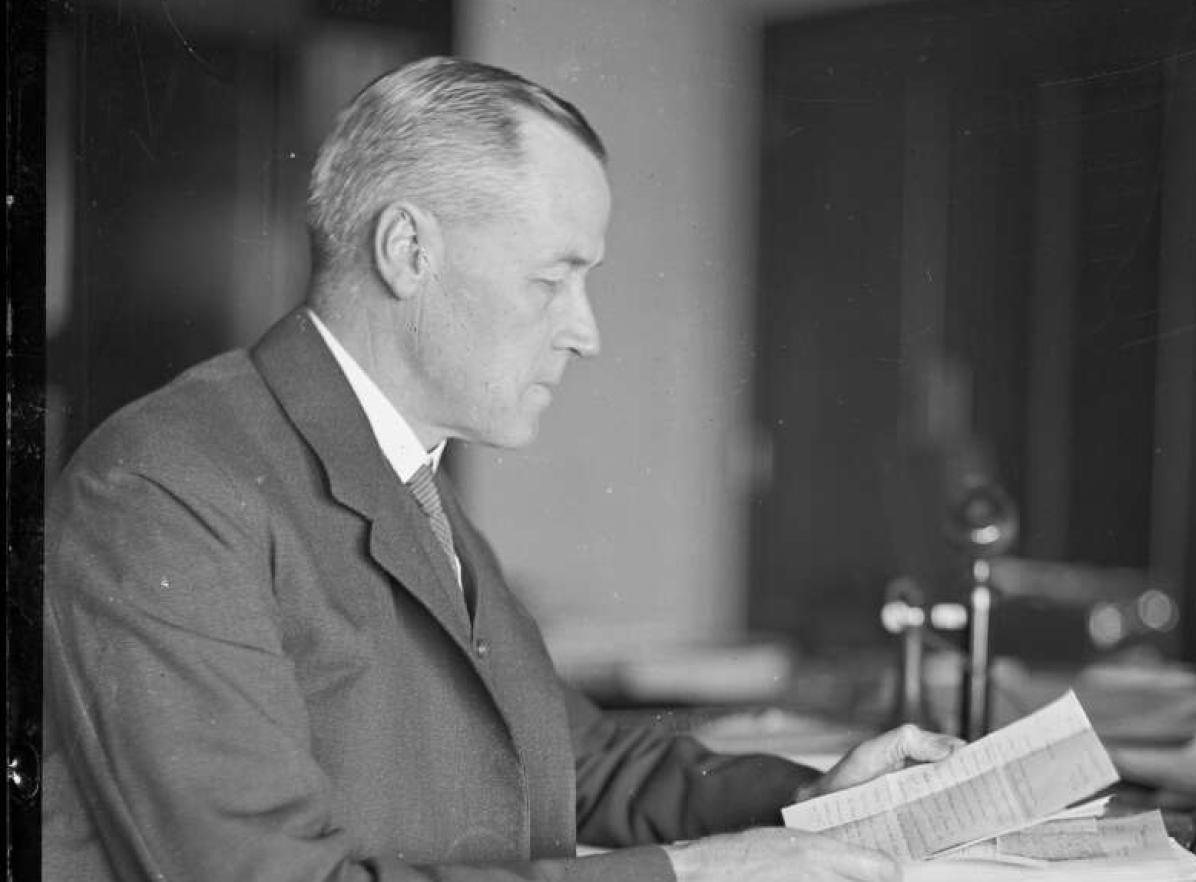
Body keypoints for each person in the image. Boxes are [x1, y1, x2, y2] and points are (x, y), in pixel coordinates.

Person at [41, 57, 961, 881]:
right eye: (552, 279)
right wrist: (688, 874)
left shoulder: (401, 470)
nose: (586, 333)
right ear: (408, 252)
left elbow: (568, 754)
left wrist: (811, 799)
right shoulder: (167, 488)